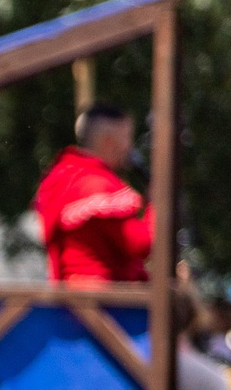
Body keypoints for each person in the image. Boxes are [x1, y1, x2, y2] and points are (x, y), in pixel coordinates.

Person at [33, 103, 152, 286]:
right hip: (106, 304)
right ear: (108, 141)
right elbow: (142, 244)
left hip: (71, 300)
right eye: (127, 138)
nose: (130, 149)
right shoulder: (97, 184)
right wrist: (159, 205)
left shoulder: (64, 176)